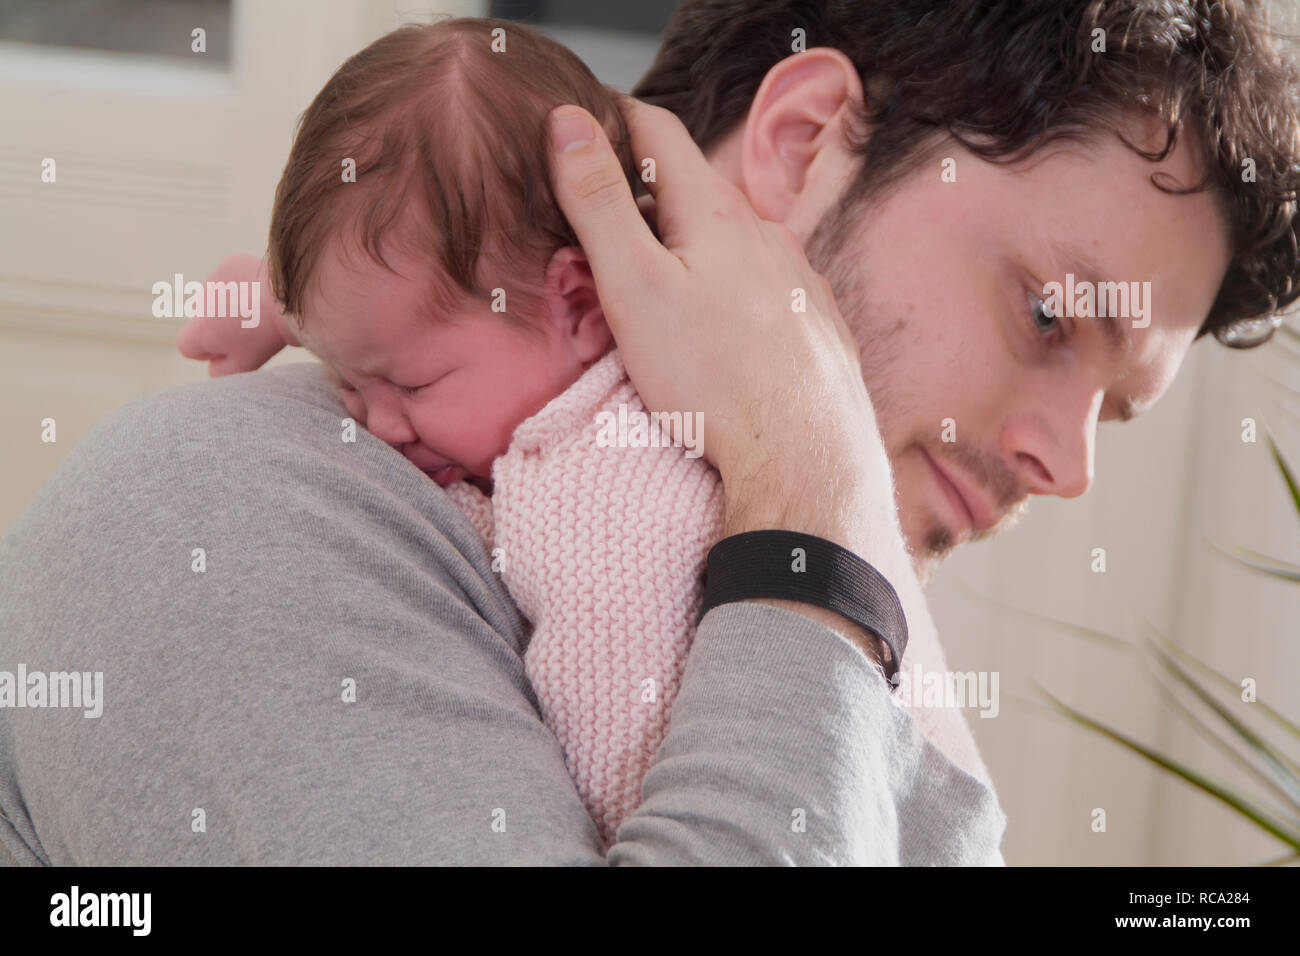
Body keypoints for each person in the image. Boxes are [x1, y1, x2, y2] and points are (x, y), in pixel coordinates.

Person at [1, 0, 1296, 865]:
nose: (1067, 466)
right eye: (1048, 316)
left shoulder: (832, 628)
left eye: (1116, 415)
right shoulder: (245, 507)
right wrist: (809, 475)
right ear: (799, 145)